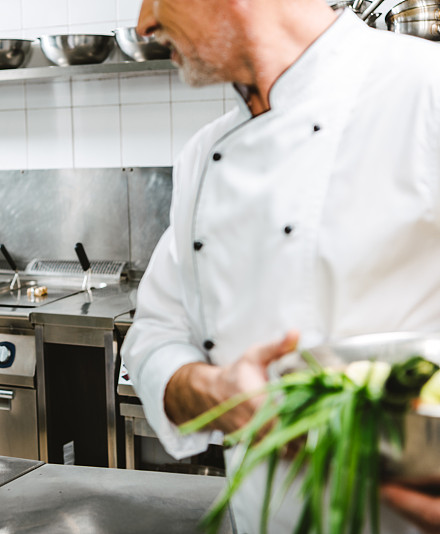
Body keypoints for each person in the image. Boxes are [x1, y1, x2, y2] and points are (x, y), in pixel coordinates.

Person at [121, 0, 440, 532]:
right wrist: (214, 391)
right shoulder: (202, 156)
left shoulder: (425, 93)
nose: (143, 24)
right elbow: (154, 335)